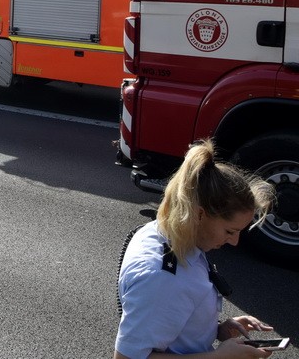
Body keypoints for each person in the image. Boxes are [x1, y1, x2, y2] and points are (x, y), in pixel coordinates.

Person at [115, 140, 276, 359]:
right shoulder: (162, 279)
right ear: (200, 214)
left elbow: (170, 313)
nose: (235, 241)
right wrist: (219, 357)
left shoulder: (163, 232)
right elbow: (126, 358)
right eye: (230, 231)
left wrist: (215, 328)